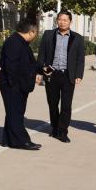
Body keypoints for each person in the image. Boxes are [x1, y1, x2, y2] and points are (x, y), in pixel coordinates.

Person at [37, 9, 84, 143]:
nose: (62, 22)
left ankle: (63, 131)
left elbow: (80, 59)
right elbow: (41, 54)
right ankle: (55, 127)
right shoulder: (48, 35)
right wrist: (40, 71)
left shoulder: (77, 38)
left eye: (65, 20)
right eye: (60, 19)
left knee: (66, 105)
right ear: (56, 20)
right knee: (52, 103)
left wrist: (79, 74)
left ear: (70, 22)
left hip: (68, 75)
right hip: (51, 74)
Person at [0, 20, 41, 150]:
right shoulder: (14, 43)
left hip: (18, 83)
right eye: (36, 33)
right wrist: (15, 85)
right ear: (31, 32)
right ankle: (22, 141)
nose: (36, 35)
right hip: (13, 84)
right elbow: (11, 66)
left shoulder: (21, 42)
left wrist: (40, 70)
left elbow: (27, 63)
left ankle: (8, 139)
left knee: (14, 112)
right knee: (15, 113)